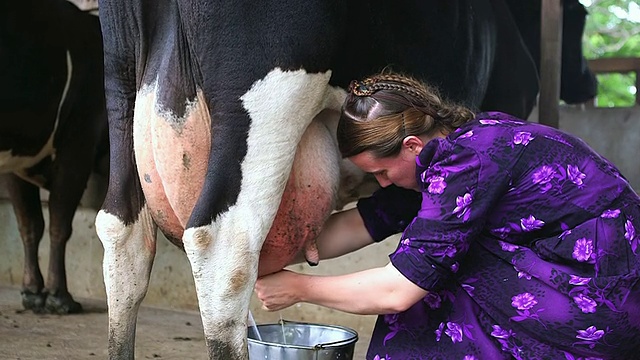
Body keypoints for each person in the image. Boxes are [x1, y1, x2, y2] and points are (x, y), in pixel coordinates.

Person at [254, 72, 640, 359]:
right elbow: (362, 224)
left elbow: (397, 291)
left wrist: (298, 289)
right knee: (430, 254)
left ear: (411, 145)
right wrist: (258, 259)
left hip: (602, 300)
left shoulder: (466, 165)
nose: (382, 184)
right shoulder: (445, 155)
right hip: (575, 283)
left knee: (429, 269)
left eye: (381, 173)